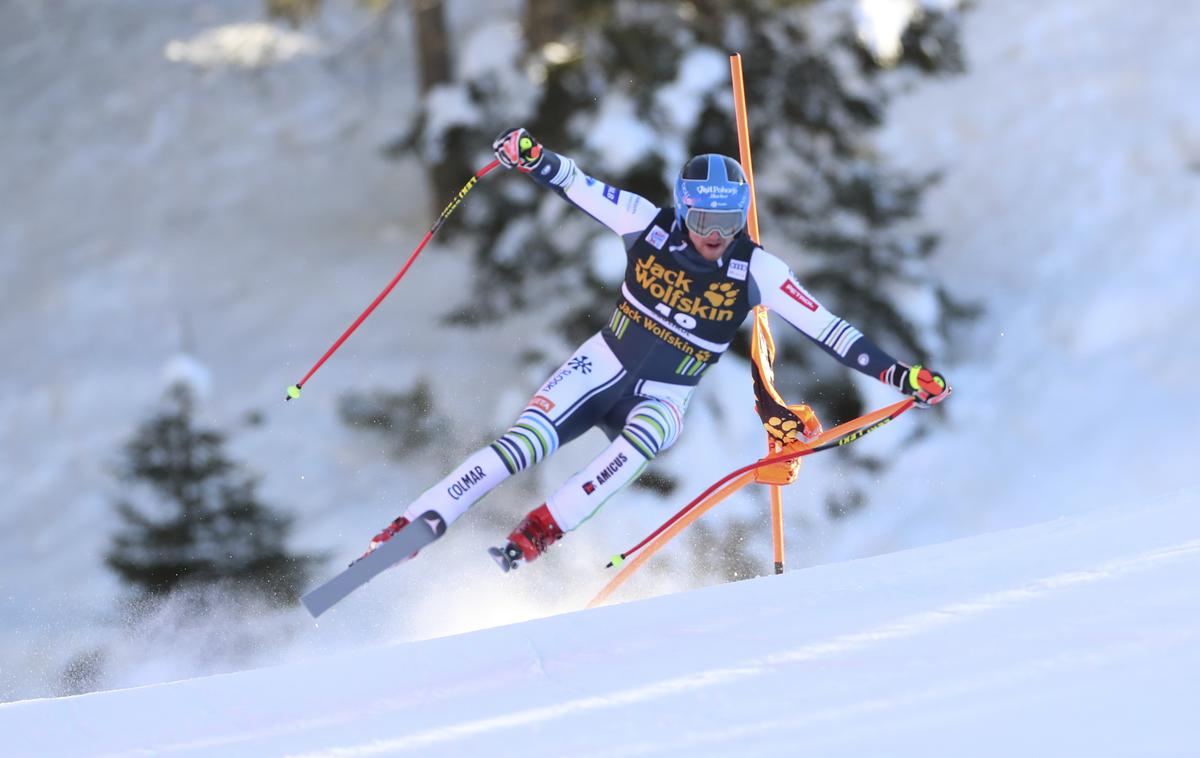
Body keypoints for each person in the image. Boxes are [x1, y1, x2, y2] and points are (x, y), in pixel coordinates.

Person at [362, 127, 952, 572]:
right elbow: (576, 184)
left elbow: (831, 330)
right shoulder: (646, 223)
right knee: (522, 445)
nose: (715, 235)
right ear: (682, 206)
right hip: (603, 363)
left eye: (728, 219)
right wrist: (533, 156)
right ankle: (416, 524)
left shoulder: (759, 269)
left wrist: (902, 377)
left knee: (646, 441)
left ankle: (541, 529)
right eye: (702, 217)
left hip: (666, 393)